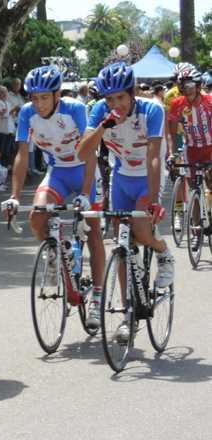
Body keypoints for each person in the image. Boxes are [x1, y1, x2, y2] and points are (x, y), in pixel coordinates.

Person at [1, 65, 105, 330]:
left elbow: (91, 151)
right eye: (34, 98)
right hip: (57, 172)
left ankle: (97, 296)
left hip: (84, 170)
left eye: (44, 97)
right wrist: (14, 196)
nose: (39, 104)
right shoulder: (27, 113)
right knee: (37, 215)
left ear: (57, 94)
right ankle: (54, 254)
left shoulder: (75, 109)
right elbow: (22, 155)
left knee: (93, 231)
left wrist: (85, 193)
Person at [79, 62, 174, 340]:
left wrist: (154, 200)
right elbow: (83, 152)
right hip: (121, 177)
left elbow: (154, 156)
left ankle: (163, 251)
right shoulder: (100, 111)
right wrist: (104, 126)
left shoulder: (152, 110)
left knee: (142, 230)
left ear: (132, 93)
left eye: (120, 97)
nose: (115, 104)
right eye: (110, 99)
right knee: (122, 245)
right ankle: (127, 315)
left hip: (148, 177)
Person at [167, 64, 212, 250]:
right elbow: (170, 134)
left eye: (190, 85)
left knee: (210, 182)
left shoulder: (209, 101)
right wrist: (171, 154)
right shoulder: (177, 104)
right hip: (191, 150)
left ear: (198, 85)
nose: (187, 89)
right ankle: (196, 231)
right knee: (193, 189)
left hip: (210, 148)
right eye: (183, 86)